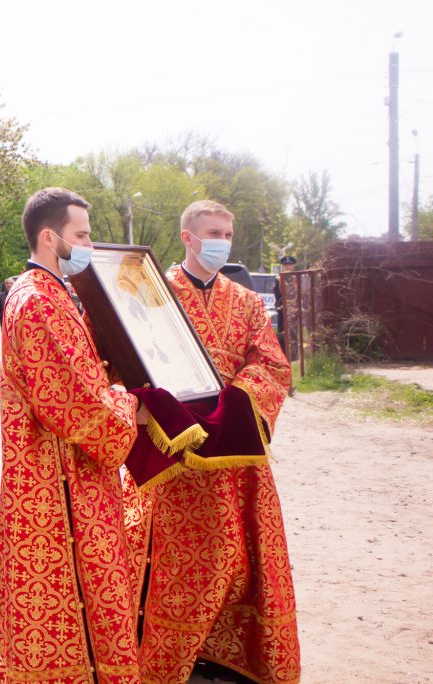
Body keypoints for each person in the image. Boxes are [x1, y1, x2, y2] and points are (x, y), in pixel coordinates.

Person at [0, 187, 147, 684]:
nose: (90, 245)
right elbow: (75, 404)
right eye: (83, 235)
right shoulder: (37, 302)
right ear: (50, 238)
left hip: (73, 473)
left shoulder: (57, 293)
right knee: (67, 594)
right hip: (55, 480)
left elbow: (85, 373)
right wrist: (132, 403)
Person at [137, 200, 300, 683]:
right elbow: (129, 358)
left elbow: (271, 365)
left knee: (240, 552)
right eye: (213, 234)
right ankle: (164, 658)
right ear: (187, 237)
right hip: (176, 447)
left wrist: (236, 403)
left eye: (227, 235)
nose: (222, 243)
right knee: (172, 560)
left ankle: (225, 655)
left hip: (234, 444)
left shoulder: (246, 301)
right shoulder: (153, 294)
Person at [274, 254, 297, 358]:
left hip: (294, 309)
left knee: (294, 331)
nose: (287, 266)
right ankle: (283, 353)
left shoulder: (297, 278)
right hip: (282, 309)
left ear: (293, 266)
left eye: (289, 264)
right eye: (285, 265)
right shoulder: (278, 278)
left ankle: (295, 354)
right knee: (282, 331)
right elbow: (277, 294)